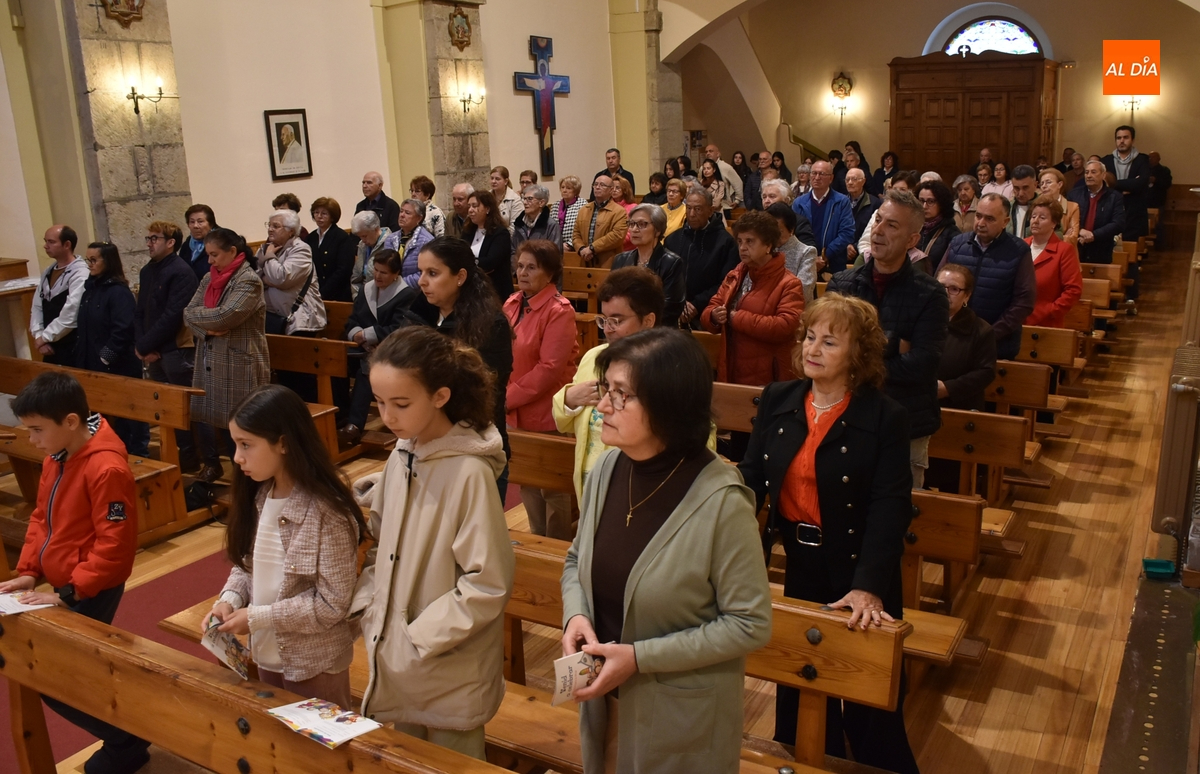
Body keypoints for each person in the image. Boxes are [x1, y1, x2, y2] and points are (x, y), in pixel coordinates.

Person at [561, 328, 772, 774]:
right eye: (605, 390)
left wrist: (640, 658)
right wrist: (576, 615)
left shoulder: (722, 502)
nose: (601, 408)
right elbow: (578, 558)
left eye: (620, 395)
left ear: (668, 404)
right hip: (607, 699)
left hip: (680, 718)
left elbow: (749, 624)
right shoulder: (608, 468)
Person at [739, 294, 919, 774]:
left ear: (857, 354)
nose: (813, 349)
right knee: (798, 682)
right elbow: (751, 480)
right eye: (809, 337)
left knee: (867, 701)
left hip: (860, 566)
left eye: (830, 341)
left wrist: (869, 586)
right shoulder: (779, 398)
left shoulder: (884, 417)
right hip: (799, 560)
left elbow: (890, 506)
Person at [351, 326, 515, 760]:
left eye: (401, 404)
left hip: (446, 662)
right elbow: (382, 543)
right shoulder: (402, 454)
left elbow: (488, 584)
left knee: (452, 762)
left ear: (440, 396)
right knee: (407, 759)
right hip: (399, 658)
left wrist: (417, 636)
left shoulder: (469, 474)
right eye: (380, 402)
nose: (387, 416)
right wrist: (373, 607)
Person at [0, 372, 148, 774]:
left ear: (69, 422)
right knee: (71, 669)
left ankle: (128, 743)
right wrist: (29, 570)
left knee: (56, 678)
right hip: (64, 580)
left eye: (36, 430)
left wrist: (68, 594)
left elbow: (115, 548)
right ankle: (129, 736)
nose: (31, 440)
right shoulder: (57, 456)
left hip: (91, 585)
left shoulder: (106, 469)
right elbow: (40, 518)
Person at [208, 385, 365, 708]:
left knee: (319, 756)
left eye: (246, 445)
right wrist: (230, 598)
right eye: (235, 445)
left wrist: (257, 617)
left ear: (283, 443)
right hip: (266, 652)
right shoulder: (261, 494)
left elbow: (331, 605)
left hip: (313, 661)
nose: (237, 458)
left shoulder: (328, 512)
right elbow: (249, 564)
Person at [828, 188, 949, 489]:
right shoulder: (842, 284)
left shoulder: (931, 293)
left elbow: (923, 363)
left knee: (900, 521)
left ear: (912, 240)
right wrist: (895, 345)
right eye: (878, 220)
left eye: (891, 225)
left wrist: (856, 362)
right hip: (845, 417)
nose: (878, 231)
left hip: (905, 422)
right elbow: (825, 350)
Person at [413, 236, 514, 499]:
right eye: (420, 272)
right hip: (428, 442)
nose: (422, 281)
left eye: (433, 273)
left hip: (475, 444)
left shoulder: (491, 324)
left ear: (460, 277)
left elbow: (487, 390)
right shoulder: (421, 313)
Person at [553, 267, 663, 499]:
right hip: (588, 483)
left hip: (640, 491)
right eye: (604, 320)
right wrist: (569, 400)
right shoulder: (594, 357)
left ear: (648, 320)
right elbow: (565, 422)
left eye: (617, 320)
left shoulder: (668, 368)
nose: (608, 329)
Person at [503, 240, 578, 538]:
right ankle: (537, 539)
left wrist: (506, 398)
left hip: (544, 410)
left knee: (552, 488)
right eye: (520, 266)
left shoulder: (560, 311)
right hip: (515, 407)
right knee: (526, 481)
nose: (523, 272)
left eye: (531, 267)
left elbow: (549, 369)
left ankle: (557, 548)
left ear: (549, 273)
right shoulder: (512, 302)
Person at [185, 228, 270, 484]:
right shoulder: (209, 278)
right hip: (211, 357)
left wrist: (207, 322)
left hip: (239, 362)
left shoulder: (248, 280)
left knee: (244, 425)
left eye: (214, 255)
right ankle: (219, 469)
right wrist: (209, 329)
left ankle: (251, 481)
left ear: (232, 252)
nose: (209, 261)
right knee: (213, 419)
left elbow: (227, 315)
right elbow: (188, 312)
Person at [701, 211, 805, 399]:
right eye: (740, 241)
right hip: (732, 365)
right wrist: (714, 316)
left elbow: (786, 326)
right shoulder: (736, 274)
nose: (742, 247)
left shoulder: (789, 283)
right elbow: (713, 306)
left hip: (767, 374)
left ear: (768, 245)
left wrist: (735, 318)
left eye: (750, 241)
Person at [336, 249, 422, 447]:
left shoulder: (406, 294)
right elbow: (352, 319)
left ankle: (354, 425)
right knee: (335, 362)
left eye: (383, 272)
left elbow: (398, 328)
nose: (377, 276)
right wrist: (357, 334)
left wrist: (367, 335)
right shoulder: (367, 289)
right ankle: (340, 415)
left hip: (390, 351)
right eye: (375, 270)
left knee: (368, 369)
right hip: (360, 346)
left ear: (395, 274)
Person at [939, 194, 1036, 360]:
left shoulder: (1018, 251)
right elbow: (938, 287)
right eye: (978, 216)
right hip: (954, 339)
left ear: (1005, 222)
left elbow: (1024, 301)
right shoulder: (957, 244)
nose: (981, 223)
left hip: (997, 343)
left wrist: (990, 333)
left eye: (989, 219)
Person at [136, 219, 200, 470]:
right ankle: (173, 454)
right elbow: (140, 311)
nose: (150, 243)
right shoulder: (147, 270)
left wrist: (146, 345)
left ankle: (190, 456)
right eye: (148, 239)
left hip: (175, 350)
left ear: (171, 243)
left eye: (155, 239)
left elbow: (173, 315)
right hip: (153, 350)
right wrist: (141, 344)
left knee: (182, 408)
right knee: (164, 408)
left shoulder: (182, 271)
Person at [75, 242, 149, 456]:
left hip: (118, 365)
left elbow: (123, 329)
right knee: (99, 414)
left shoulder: (118, 292)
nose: (89, 264)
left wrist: (105, 358)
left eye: (94, 260)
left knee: (128, 417)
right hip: (93, 365)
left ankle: (136, 454)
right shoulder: (90, 289)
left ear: (108, 262)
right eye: (87, 259)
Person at [665, 186, 739, 329]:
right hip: (675, 311)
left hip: (708, 312)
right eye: (689, 208)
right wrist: (679, 303)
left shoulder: (725, 242)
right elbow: (666, 278)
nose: (692, 214)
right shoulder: (672, 239)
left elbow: (726, 282)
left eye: (698, 209)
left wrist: (696, 304)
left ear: (710, 211)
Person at [612, 204, 686, 327]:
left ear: (657, 230)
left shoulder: (672, 262)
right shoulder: (620, 260)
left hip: (658, 332)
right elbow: (611, 297)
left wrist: (637, 323)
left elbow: (671, 308)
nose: (634, 229)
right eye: (631, 224)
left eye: (642, 224)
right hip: (624, 328)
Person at [257, 210, 327, 339]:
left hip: (300, 320)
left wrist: (269, 257)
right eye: (269, 225)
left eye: (276, 226)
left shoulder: (301, 249)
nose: (270, 229)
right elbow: (254, 278)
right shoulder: (266, 248)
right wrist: (266, 279)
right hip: (273, 317)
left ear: (291, 231)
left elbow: (281, 278)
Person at [936, 264, 996, 410]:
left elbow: (985, 372)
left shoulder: (981, 330)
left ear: (967, 296)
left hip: (960, 405)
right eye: (941, 286)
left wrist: (948, 388)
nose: (945, 293)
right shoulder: (920, 320)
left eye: (954, 289)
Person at [31, 225, 87, 365]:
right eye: (46, 241)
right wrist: (39, 336)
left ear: (67, 244)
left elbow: (70, 314)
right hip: (49, 345)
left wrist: (44, 338)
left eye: (51, 242)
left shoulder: (80, 273)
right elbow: (37, 307)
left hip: (72, 345)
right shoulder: (48, 272)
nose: (45, 246)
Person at [1025, 196, 1083, 328]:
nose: (1035, 221)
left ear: (1054, 223)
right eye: (1033, 216)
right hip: (1017, 319)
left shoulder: (1064, 250)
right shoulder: (1021, 245)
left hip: (1047, 322)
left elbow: (1073, 290)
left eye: (1042, 218)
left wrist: (1050, 311)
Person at [794, 160, 855, 275]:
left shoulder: (841, 202)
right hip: (805, 263)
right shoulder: (799, 203)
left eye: (821, 174)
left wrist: (825, 255)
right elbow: (794, 233)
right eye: (813, 173)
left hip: (834, 263)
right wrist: (811, 258)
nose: (817, 177)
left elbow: (847, 232)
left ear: (831, 178)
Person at [1068, 159, 1127, 265]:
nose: (1089, 175)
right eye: (1087, 172)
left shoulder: (1114, 197)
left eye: (1093, 172)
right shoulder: (1074, 194)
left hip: (1102, 248)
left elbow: (1118, 224)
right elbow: (1066, 220)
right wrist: (1080, 231)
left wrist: (1094, 235)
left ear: (1103, 175)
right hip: (1077, 247)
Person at [463, 189, 515, 299]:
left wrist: (468, 262)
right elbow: (459, 254)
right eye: (469, 206)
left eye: (475, 206)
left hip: (495, 291)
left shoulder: (500, 233)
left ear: (487, 209)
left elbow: (490, 263)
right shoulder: (468, 231)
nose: (470, 210)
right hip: (472, 289)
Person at [306, 197, 357, 302]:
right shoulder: (311, 238)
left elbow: (344, 270)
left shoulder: (341, 237)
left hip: (338, 293)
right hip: (315, 292)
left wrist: (324, 292)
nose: (319, 216)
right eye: (316, 212)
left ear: (332, 217)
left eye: (324, 214)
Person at [572, 175, 629, 269]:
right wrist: (581, 249)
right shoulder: (584, 209)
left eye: (602, 185)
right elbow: (576, 234)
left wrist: (592, 248)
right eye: (595, 184)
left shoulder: (619, 211)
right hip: (585, 260)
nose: (597, 187)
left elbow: (617, 235)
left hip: (607, 262)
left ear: (611, 190)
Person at [768, 202, 818, 303]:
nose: (773, 235)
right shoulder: (765, 249)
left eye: (779, 231)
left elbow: (803, 289)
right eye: (770, 230)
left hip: (794, 310)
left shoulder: (806, 252)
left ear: (791, 230)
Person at [383, 198, 436, 287]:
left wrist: (399, 285)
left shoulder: (426, 241)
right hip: (390, 288)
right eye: (401, 211)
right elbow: (384, 266)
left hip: (416, 291)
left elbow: (426, 273)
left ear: (419, 218)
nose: (402, 215)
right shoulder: (390, 239)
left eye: (407, 213)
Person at [914, 179, 961, 269]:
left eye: (930, 201)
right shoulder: (912, 227)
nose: (924, 206)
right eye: (921, 201)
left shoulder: (952, 234)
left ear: (942, 203)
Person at [350, 210, 392, 299]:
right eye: (360, 236)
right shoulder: (362, 245)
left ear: (376, 229)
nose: (362, 240)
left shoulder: (390, 243)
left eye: (364, 236)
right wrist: (357, 298)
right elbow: (356, 278)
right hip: (364, 298)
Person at [512, 184, 563, 257]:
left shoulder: (551, 225)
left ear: (541, 203)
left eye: (529, 199)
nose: (525, 202)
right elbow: (513, 251)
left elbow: (555, 255)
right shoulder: (519, 224)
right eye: (524, 198)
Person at [845, 167, 880, 266]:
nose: (850, 182)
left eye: (854, 179)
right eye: (847, 180)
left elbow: (873, 230)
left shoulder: (875, 203)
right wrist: (845, 246)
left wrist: (855, 247)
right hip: (842, 252)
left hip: (864, 253)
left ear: (863, 181)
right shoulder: (839, 202)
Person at [1038, 168, 1080, 246]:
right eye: (1042, 183)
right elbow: (1034, 234)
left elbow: (1073, 238)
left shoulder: (1072, 207)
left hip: (1064, 253)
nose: (1044, 186)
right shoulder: (1037, 206)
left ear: (1059, 184)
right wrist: (1062, 236)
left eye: (1048, 182)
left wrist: (1044, 238)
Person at [704, 143, 744, 213]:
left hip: (724, 206)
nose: (708, 153)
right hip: (707, 207)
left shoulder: (726, 167)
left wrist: (737, 200)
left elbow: (738, 183)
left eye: (711, 151)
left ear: (718, 154)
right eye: (706, 152)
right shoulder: (703, 168)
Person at [182, 204, 216, 280]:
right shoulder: (186, 245)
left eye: (200, 221)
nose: (195, 226)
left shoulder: (219, 243)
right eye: (192, 222)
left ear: (211, 224)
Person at [1005, 165, 1039, 239]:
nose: (1020, 193)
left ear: (1035, 185)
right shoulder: (1006, 207)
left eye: (1025, 188)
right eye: (1016, 188)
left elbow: (1057, 234)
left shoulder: (1046, 208)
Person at [553, 176, 585, 250]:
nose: (564, 190)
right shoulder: (555, 205)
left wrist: (569, 245)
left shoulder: (582, 204)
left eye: (568, 188)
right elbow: (552, 228)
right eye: (562, 187)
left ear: (575, 190)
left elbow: (583, 228)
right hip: (557, 245)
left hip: (575, 246)